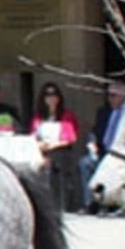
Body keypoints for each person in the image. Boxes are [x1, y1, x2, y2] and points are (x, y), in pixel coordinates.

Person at [78, 80, 125, 211]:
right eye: (109, 95)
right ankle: (90, 204)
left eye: (114, 95)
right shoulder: (103, 112)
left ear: (124, 96)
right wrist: (92, 143)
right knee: (85, 163)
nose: (110, 99)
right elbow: (95, 132)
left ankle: (117, 205)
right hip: (103, 153)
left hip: (121, 156)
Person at [30, 82, 79, 210]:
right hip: (42, 150)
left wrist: (52, 145)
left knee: (55, 163)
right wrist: (40, 145)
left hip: (60, 150)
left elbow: (70, 138)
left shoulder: (66, 115)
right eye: (48, 95)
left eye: (54, 95)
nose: (51, 98)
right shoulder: (38, 116)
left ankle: (60, 204)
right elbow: (33, 135)